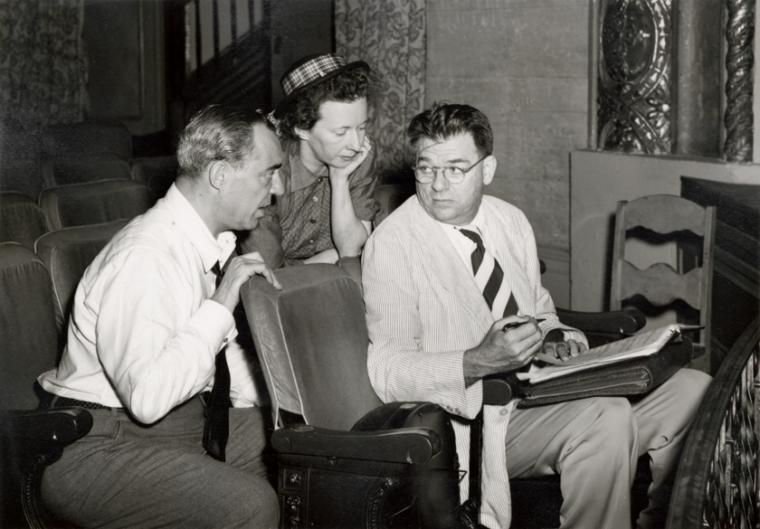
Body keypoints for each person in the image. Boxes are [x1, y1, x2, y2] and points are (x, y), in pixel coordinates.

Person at [361, 102, 711, 529]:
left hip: (542, 390)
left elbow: (541, 312)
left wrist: (557, 338)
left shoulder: (510, 221)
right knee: (605, 417)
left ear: (487, 169)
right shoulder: (394, 243)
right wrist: (476, 361)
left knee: (695, 391)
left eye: (455, 169)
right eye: (426, 168)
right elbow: (387, 371)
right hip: (476, 427)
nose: (437, 185)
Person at [36, 105, 284, 529]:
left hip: (181, 424)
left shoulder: (206, 244)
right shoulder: (145, 257)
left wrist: (285, 394)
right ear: (220, 175)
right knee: (250, 507)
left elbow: (213, 367)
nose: (277, 188)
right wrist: (221, 305)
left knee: (301, 445)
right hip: (96, 447)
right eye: (268, 173)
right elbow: (148, 399)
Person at [241, 53, 379, 267]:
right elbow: (266, 276)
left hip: (325, 280)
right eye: (341, 132)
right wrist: (331, 259)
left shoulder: (360, 155)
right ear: (302, 128)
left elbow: (352, 250)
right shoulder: (267, 172)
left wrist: (340, 180)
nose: (356, 144)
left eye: (361, 127)